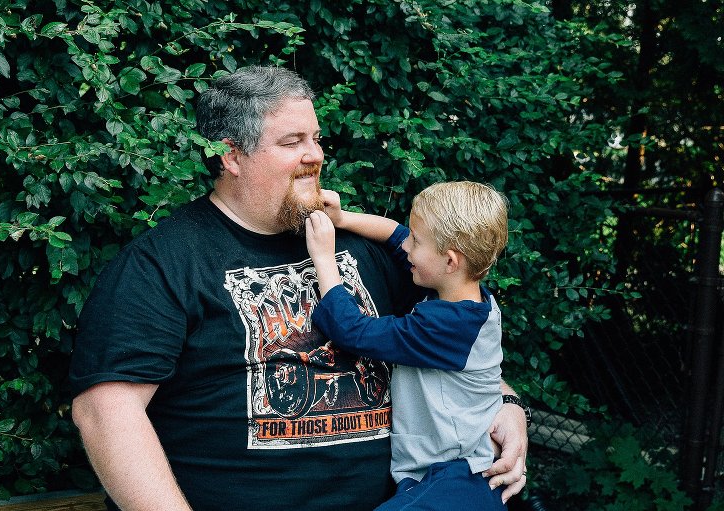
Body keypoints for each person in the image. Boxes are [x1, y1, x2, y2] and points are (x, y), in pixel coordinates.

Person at [69, 65, 528, 511]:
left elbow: (450, 336)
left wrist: (504, 402)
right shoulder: (166, 262)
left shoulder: (357, 247)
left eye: (316, 138)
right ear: (232, 156)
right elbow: (107, 413)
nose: (316, 155)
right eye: (293, 142)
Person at [306, 181, 510, 510]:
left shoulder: (446, 326)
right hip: (445, 474)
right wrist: (342, 218)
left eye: (417, 242)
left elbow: (351, 330)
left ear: (450, 261)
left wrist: (323, 258)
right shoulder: (461, 295)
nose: (407, 248)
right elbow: (395, 234)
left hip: (456, 476)